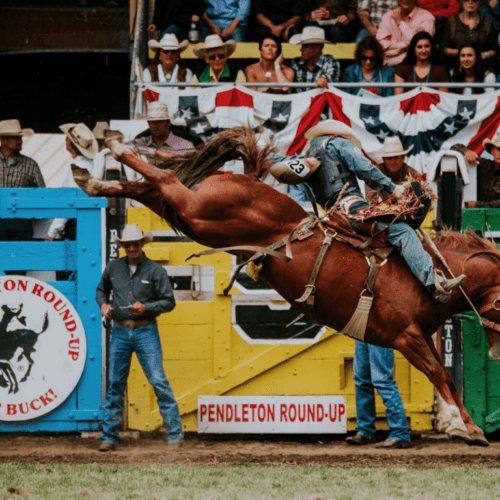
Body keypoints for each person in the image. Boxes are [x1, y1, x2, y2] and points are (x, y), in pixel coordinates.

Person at [269, 120, 466, 303]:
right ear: (338, 133)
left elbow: (280, 163)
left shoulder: (309, 155)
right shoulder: (339, 143)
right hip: (351, 207)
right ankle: (434, 283)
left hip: (333, 214)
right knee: (404, 231)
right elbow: (364, 168)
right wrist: (392, 187)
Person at [96, 224, 183, 451]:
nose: (132, 248)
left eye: (136, 244)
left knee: (158, 380)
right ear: (123, 246)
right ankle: (109, 437)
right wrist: (103, 304)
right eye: (128, 245)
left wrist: (146, 307)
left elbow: (169, 302)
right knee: (115, 383)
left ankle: (175, 435)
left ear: (142, 244)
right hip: (120, 331)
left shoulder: (155, 270)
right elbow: (101, 290)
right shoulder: (113, 267)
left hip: (146, 330)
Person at [0, 119, 45, 274]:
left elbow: (42, 195)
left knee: (18, 273)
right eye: (16, 137)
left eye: (20, 137)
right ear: (3, 140)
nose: (20, 141)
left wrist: (28, 214)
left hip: (21, 226)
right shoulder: (30, 164)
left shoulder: (30, 164)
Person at [347, 342, 411, 448]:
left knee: (382, 379)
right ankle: (365, 431)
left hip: (380, 329)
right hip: (362, 330)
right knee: (361, 380)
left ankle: (400, 434)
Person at [45, 123, 98, 243]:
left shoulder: (78, 166)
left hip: (77, 222)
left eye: (67, 138)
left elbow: (69, 200)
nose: (65, 140)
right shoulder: (93, 164)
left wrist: (52, 231)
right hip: (90, 220)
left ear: (72, 144)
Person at [129, 101, 201, 168]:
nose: (156, 125)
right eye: (152, 122)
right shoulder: (144, 142)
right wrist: (156, 152)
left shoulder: (186, 146)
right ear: (148, 123)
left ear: (168, 123)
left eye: (160, 121)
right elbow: (124, 147)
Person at [377, 0, 436, 66]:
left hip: (412, 66)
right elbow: (380, 45)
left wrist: (400, 23)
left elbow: (422, 45)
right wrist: (406, 46)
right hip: (387, 65)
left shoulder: (427, 17)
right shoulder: (388, 16)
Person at [441, 0, 498, 67]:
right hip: (456, 67)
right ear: (462, 1)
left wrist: (484, 54)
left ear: (479, 2)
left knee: (490, 77)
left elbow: (495, 50)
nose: (470, 2)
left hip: (481, 67)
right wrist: (462, 53)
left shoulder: (487, 22)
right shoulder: (452, 21)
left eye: (474, 0)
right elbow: (443, 48)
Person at [365, 136, 422, 203]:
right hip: (384, 211)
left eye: (396, 157)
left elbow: (424, 197)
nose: (393, 162)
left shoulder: (413, 174)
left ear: (403, 158)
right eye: (389, 158)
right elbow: (371, 202)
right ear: (384, 159)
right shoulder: (374, 174)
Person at [452, 133, 500, 208]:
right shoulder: (483, 164)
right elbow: (455, 148)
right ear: (492, 150)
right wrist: (466, 152)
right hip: (475, 217)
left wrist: (477, 205)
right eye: (499, 149)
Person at [289, 26, 341, 92]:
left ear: (317, 48)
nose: (301, 49)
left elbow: (330, 76)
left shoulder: (331, 61)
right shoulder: (296, 62)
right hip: (301, 101)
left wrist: (324, 78)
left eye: (305, 46)